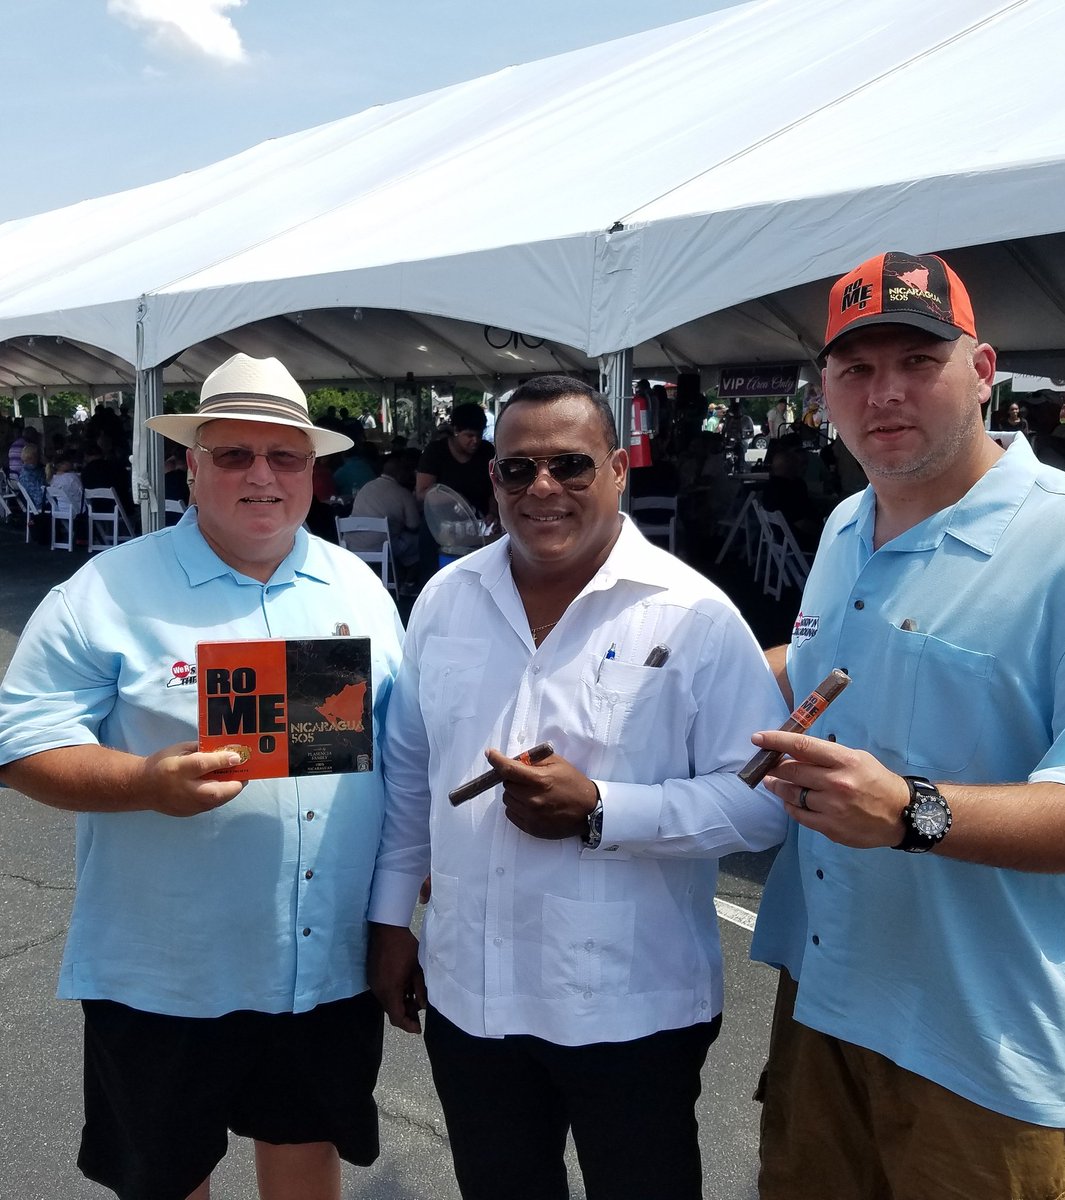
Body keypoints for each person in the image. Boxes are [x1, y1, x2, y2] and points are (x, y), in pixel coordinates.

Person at [748, 251, 1065, 1200]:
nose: (884, 392)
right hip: (823, 997)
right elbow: (833, 660)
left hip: (981, 1042)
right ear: (825, 391)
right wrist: (702, 673)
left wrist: (910, 811)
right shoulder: (846, 525)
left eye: (918, 361)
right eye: (856, 369)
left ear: (983, 370)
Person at [368, 374, 788, 1200]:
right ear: (492, 479)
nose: (543, 488)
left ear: (619, 469)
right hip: (471, 992)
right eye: (517, 469)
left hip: (629, 1007)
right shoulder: (447, 599)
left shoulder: (692, 615)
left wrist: (602, 809)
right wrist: (389, 921)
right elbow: (411, 773)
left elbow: (762, 802)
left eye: (570, 464)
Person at [0, 353, 406, 1200]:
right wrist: (142, 782)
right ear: (192, 465)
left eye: (284, 456)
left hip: (319, 961)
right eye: (234, 455)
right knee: (169, 1176)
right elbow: (21, 741)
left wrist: (404, 902)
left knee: (305, 1153)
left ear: (312, 470)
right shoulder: (108, 590)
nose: (262, 476)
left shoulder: (357, 587)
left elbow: (400, 750)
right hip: (167, 967)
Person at [414, 402, 496, 519]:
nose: (475, 441)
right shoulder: (435, 452)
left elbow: (495, 489)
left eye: (479, 435)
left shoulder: (487, 450)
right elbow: (422, 494)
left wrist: (493, 513)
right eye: (469, 436)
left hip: (481, 520)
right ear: (456, 430)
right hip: (442, 522)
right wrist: (454, 497)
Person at [348, 452, 421, 577]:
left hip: (353, 544)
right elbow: (414, 526)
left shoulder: (366, 487)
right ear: (400, 474)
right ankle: (410, 579)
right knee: (418, 540)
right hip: (382, 547)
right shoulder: (403, 494)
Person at [1022, 388, 1065, 474]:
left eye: (1037, 408)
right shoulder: (1030, 436)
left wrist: (1043, 440)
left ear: (1054, 409)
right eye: (1029, 409)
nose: (1030, 414)